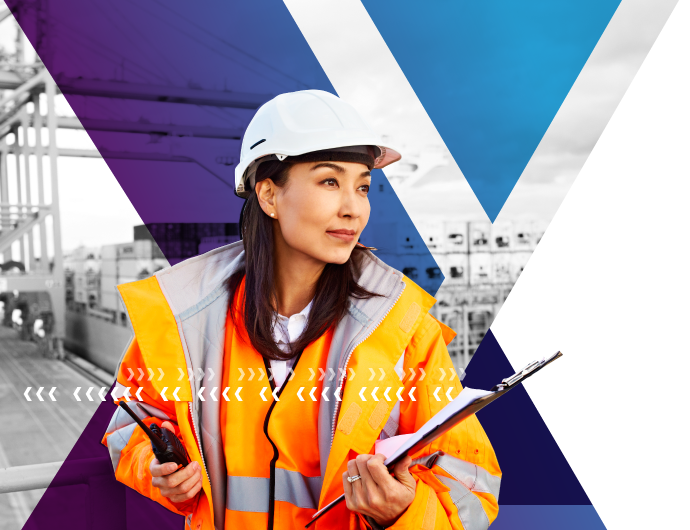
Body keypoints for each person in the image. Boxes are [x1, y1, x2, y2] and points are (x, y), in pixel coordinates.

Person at [102, 90, 501, 530]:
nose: (353, 208)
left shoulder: (404, 332)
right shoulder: (184, 319)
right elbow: (130, 427)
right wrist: (161, 473)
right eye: (330, 182)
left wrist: (402, 513)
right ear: (269, 196)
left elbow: (470, 487)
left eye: (363, 186)